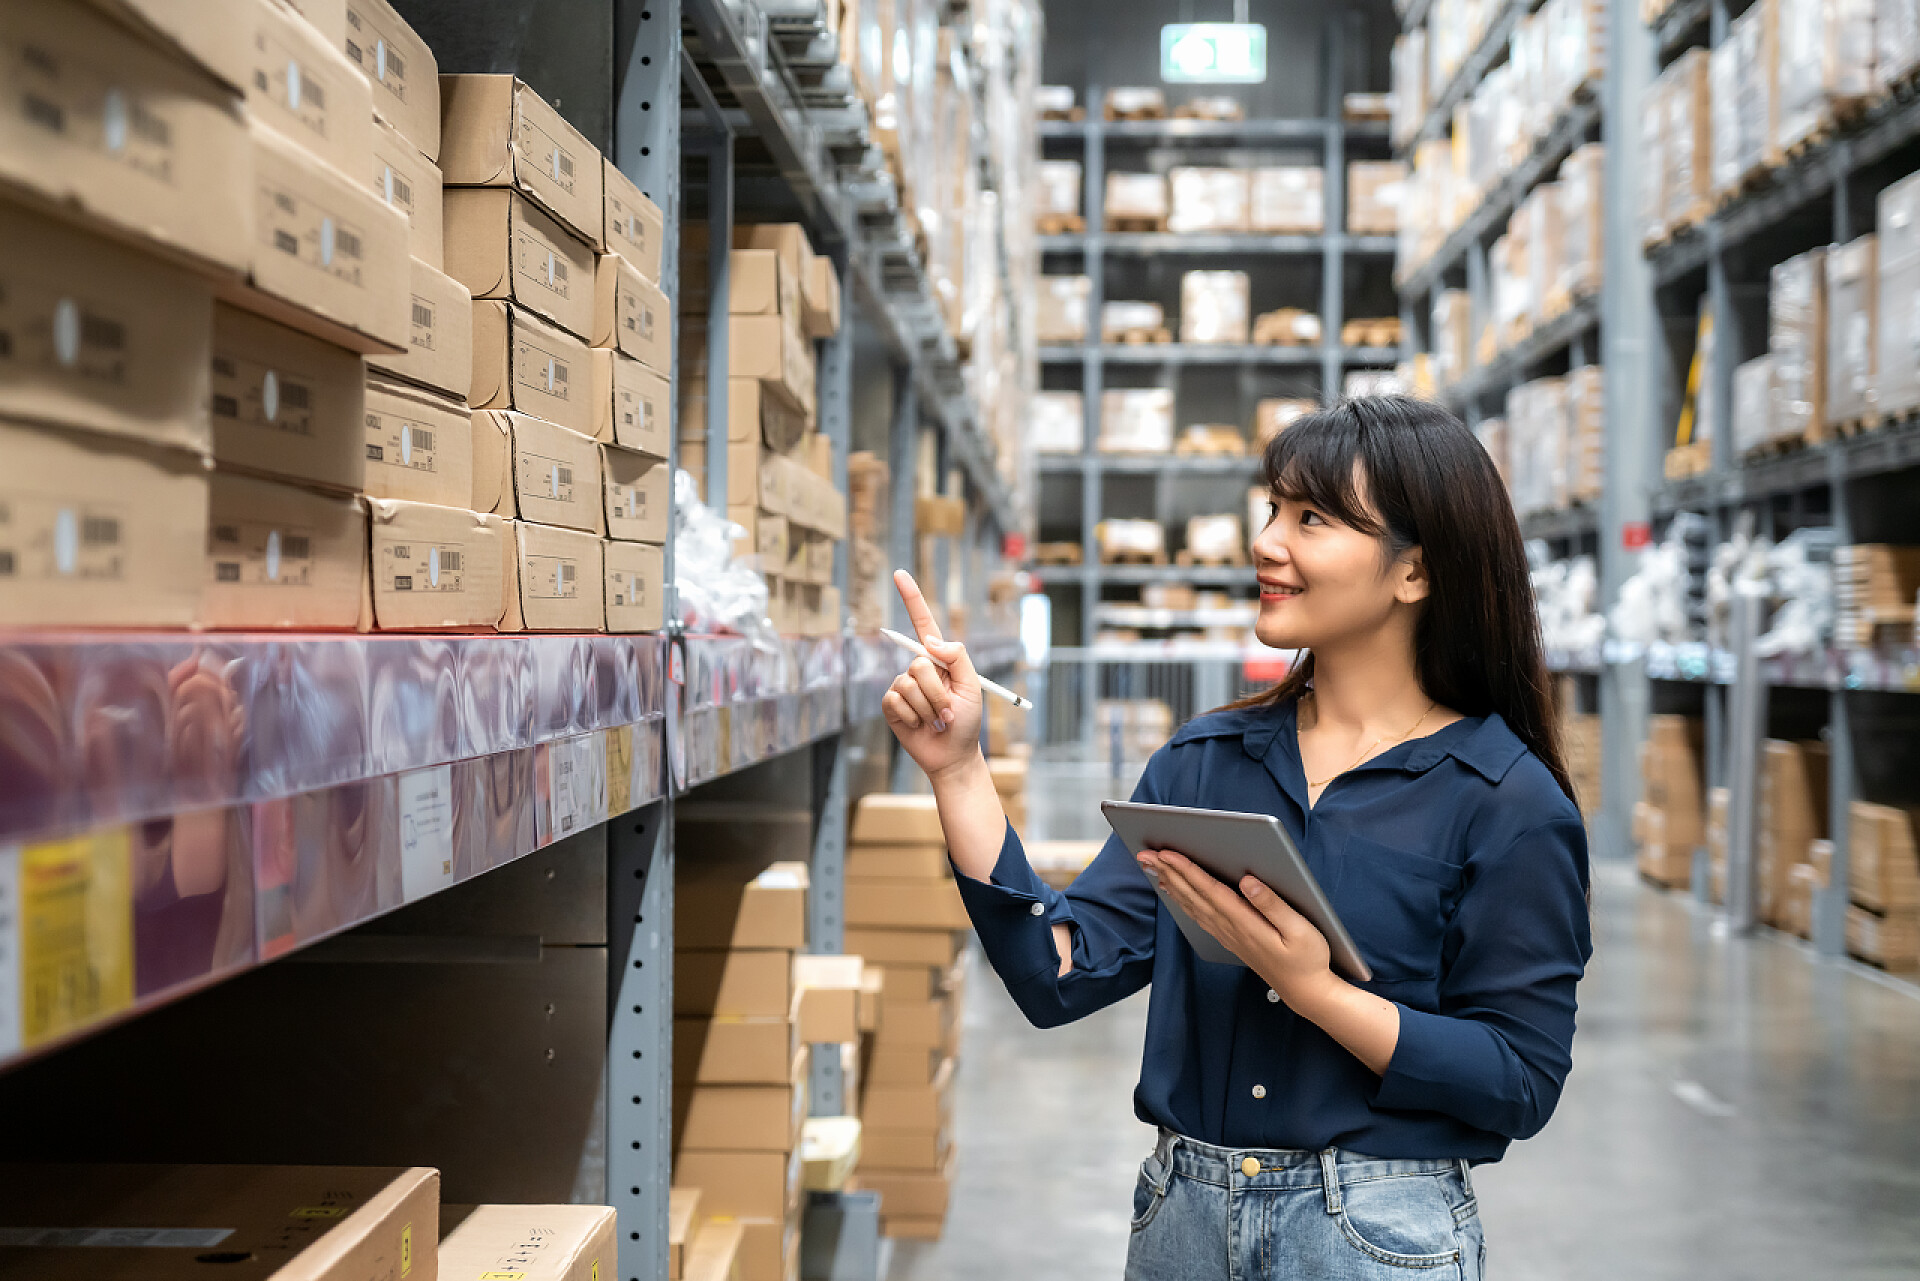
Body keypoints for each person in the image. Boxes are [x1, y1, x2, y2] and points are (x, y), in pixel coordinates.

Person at [881, 396, 1592, 1279]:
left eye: (1313, 518)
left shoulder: (1505, 800)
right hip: (1182, 1220)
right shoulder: (1203, 761)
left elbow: (1519, 1078)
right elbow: (1057, 971)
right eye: (1272, 509)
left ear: (1415, 571)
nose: (1266, 541)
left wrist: (1313, 989)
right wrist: (958, 770)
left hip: (1374, 1236)